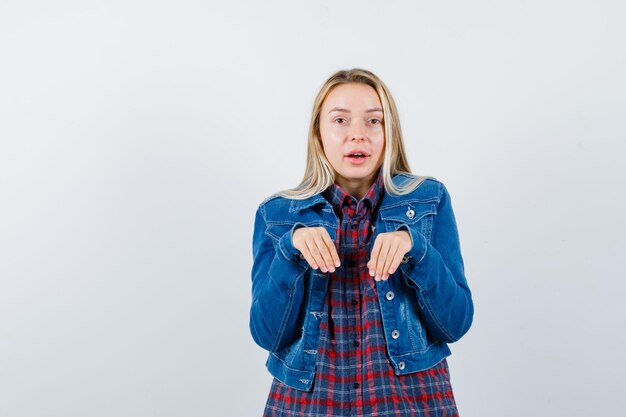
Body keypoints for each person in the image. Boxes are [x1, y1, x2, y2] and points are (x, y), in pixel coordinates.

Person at [250, 68, 474, 416]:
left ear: (389, 133)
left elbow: (455, 323)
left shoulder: (429, 200)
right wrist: (290, 251)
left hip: (410, 404)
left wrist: (417, 250)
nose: (358, 135)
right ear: (318, 133)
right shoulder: (277, 215)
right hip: (308, 406)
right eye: (340, 120)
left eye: (373, 121)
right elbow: (268, 335)